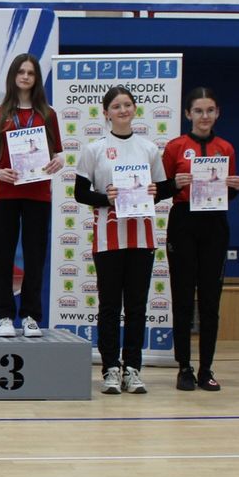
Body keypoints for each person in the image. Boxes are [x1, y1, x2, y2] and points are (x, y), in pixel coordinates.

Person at [75, 85, 169, 395]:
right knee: (110, 306)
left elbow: (161, 189)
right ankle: (110, 369)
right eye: (116, 106)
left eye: (127, 104)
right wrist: (106, 197)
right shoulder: (94, 149)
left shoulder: (148, 148)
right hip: (108, 238)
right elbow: (80, 193)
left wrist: (156, 191)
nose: (123, 110)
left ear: (135, 109)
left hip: (142, 237)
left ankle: (133, 369)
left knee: (137, 306)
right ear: (106, 113)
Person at [161, 87, 239, 392]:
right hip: (183, 222)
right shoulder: (175, 147)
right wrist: (175, 183)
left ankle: (206, 368)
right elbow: (158, 189)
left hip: (214, 224)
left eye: (210, 110)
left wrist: (235, 186)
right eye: (198, 110)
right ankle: (184, 367)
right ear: (188, 114)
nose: (204, 116)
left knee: (210, 300)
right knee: (183, 298)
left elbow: (228, 194)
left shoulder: (226, 148)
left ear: (217, 113)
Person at [0, 54, 63, 338]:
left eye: (31, 72)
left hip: (38, 194)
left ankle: (30, 316)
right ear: (13, 76)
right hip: (5, 192)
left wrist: (59, 162)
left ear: (36, 78)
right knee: (3, 255)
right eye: (21, 72)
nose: (26, 76)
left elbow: (59, 153)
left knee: (34, 256)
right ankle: (4, 316)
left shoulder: (47, 113)